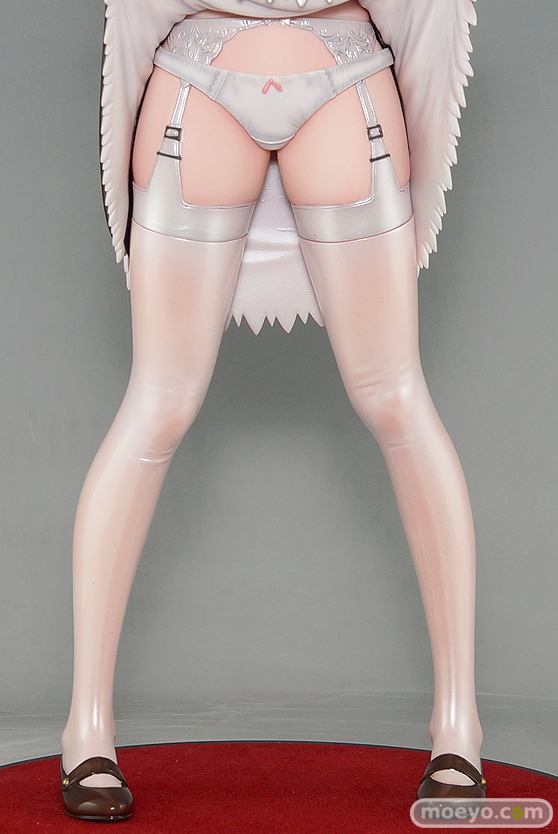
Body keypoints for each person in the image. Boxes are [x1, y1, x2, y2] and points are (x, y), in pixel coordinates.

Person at [60, 0, 485, 820]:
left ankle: (458, 727)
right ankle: (87, 729)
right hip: (201, 76)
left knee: (395, 396)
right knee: (159, 401)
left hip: (343, 75)